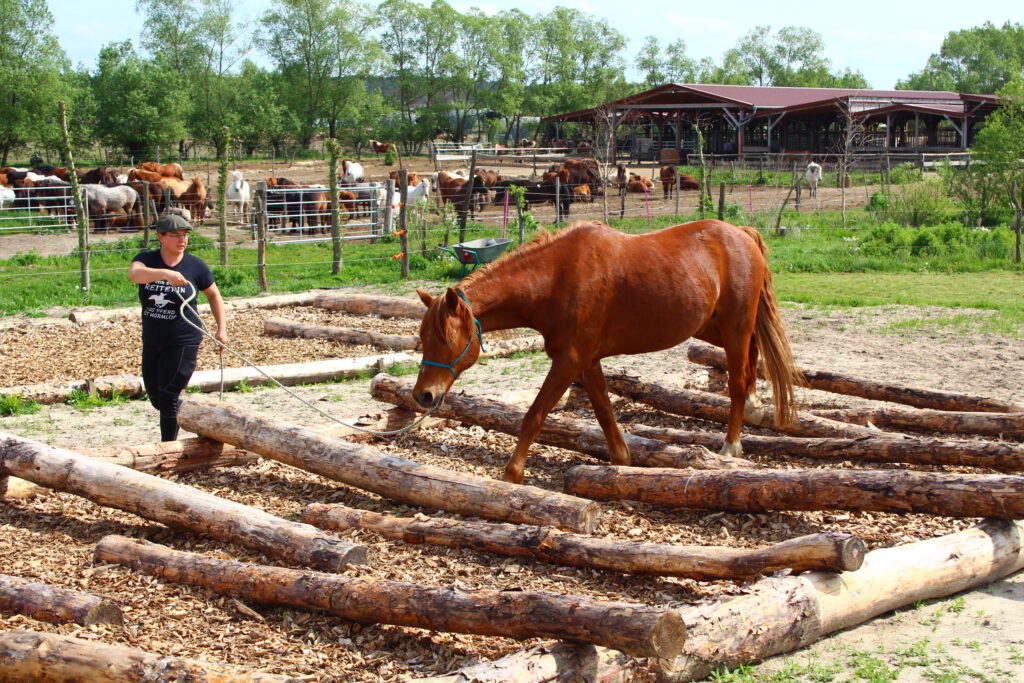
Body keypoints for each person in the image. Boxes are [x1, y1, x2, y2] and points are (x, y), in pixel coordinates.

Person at [128, 214, 227, 441]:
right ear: (160, 237)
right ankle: (203, 418)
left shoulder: (195, 266)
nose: (182, 240)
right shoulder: (146, 260)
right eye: (175, 235)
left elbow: (214, 296)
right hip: (153, 339)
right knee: (157, 398)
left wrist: (221, 329)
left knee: (169, 395)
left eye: (184, 235)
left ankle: (167, 449)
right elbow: (135, 274)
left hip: (183, 340)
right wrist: (166, 274)